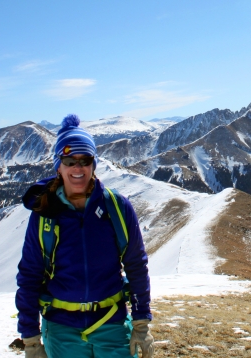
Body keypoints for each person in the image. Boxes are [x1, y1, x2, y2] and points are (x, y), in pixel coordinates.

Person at [16, 114, 154, 358]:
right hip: (61, 330)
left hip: (111, 323)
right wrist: (30, 338)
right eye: (69, 160)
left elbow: (136, 265)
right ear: (58, 166)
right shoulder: (44, 216)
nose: (77, 167)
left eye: (85, 159)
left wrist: (141, 323)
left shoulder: (117, 208)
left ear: (94, 164)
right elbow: (30, 275)